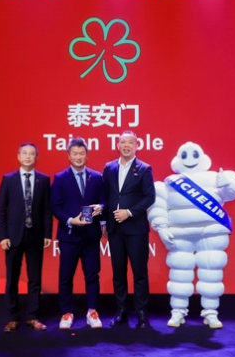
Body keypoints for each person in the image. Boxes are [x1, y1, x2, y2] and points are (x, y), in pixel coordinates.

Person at [148, 142, 235, 328]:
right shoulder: (169, 183)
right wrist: (161, 227)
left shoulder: (216, 178)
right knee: (179, 274)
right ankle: (178, 311)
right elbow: (158, 206)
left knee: (212, 273)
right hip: (180, 234)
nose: (190, 159)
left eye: (194, 154)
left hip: (211, 233)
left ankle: (211, 312)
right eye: (184, 155)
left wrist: (229, 184)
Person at [0, 142, 52, 332]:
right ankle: (13, 317)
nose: (28, 157)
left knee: (35, 278)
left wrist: (47, 233)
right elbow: (1, 210)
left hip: (35, 236)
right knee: (12, 278)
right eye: (25, 153)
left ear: (36, 158)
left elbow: (47, 209)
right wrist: (3, 235)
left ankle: (33, 317)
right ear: (18, 156)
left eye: (32, 154)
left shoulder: (43, 180)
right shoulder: (8, 179)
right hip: (13, 237)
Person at [51, 137, 106, 329]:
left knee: (92, 275)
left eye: (82, 153)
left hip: (91, 235)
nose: (78, 157)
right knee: (66, 276)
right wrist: (70, 220)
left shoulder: (97, 177)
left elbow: (104, 201)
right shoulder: (60, 178)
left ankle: (92, 311)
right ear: (68, 155)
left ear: (87, 155)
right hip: (69, 236)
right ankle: (67, 312)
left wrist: (101, 207)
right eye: (75, 153)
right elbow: (55, 206)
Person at [102, 131, 155, 328]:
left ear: (136, 145)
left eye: (130, 142)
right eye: (123, 142)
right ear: (117, 145)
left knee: (139, 273)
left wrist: (129, 212)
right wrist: (103, 222)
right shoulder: (109, 167)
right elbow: (105, 195)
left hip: (136, 229)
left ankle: (141, 313)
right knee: (118, 273)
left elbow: (150, 197)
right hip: (114, 228)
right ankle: (121, 311)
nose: (126, 145)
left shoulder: (144, 169)